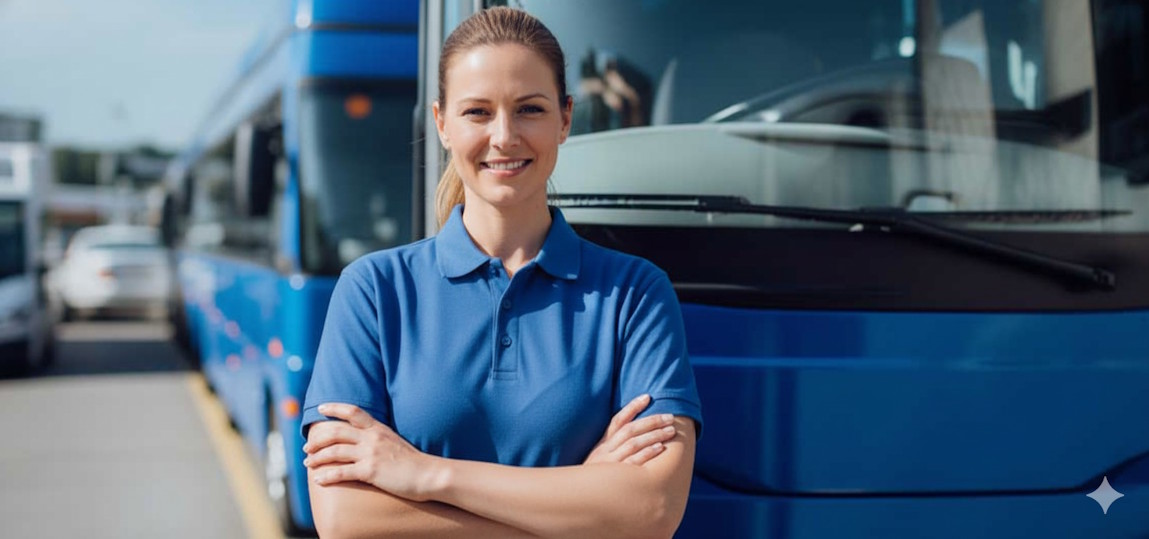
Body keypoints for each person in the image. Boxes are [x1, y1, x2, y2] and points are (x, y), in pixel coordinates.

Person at [300, 7, 702, 538]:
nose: (505, 136)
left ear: (565, 119)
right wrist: (584, 502)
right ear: (442, 123)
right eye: (478, 112)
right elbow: (345, 521)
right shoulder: (374, 291)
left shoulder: (636, 294)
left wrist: (425, 474)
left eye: (529, 109)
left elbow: (651, 511)